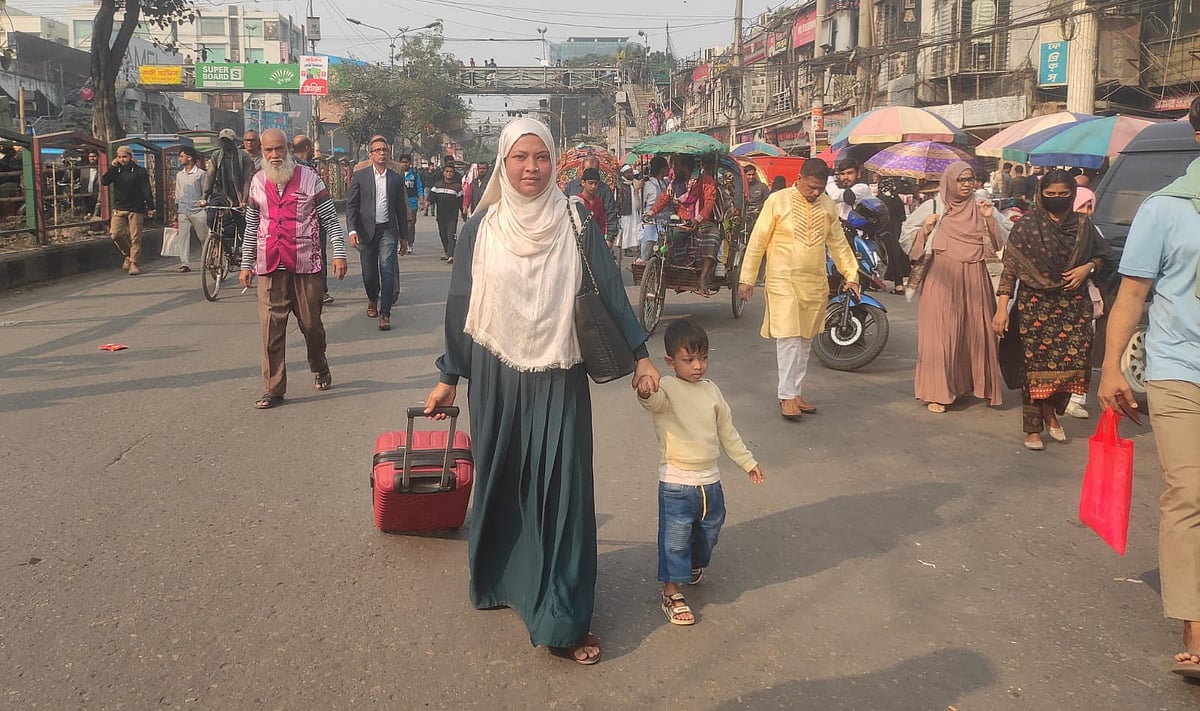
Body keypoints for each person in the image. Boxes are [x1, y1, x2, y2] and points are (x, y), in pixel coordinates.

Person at [423, 117, 659, 666]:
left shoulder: (576, 221)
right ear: (502, 164)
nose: (531, 169)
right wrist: (447, 376)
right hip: (496, 373)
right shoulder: (479, 230)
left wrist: (642, 355)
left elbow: (609, 290)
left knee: (563, 487)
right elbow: (461, 307)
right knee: (504, 476)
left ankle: (562, 617)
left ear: (556, 162)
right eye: (519, 158)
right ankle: (505, 578)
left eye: (542, 157)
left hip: (560, 370)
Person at [1097, 97, 1200, 680]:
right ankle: (1195, 626)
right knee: (1190, 492)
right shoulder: (1165, 209)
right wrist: (1112, 367)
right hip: (1180, 367)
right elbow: (1132, 294)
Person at [637, 318, 764, 626]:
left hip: (710, 483)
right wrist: (645, 390)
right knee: (675, 538)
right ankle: (671, 590)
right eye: (689, 359)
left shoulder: (712, 391)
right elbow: (652, 402)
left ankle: (693, 565)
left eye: (703, 358)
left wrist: (748, 462)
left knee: (710, 530)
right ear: (670, 361)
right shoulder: (667, 387)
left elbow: (728, 432)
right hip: (677, 483)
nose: (698, 366)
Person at [992, 170, 1112, 450]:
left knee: (1074, 363)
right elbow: (1011, 268)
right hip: (1035, 305)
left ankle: (1052, 409)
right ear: (1040, 195)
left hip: (1074, 305)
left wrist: (1088, 267)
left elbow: (1105, 256)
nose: (1057, 200)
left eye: (1063, 195)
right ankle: (1034, 427)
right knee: (1034, 369)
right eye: (1050, 195)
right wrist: (1002, 309)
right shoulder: (1026, 226)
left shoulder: (1084, 225)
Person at [738, 158, 860, 420]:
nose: (815, 193)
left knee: (805, 340)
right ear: (800, 179)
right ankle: (785, 395)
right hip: (783, 280)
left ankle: (796, 392)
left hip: (814, 282)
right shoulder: (778, 201)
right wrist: (747, 278)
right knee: (789, 339)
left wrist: (851, 275)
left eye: (820, 188)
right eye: (811, 187)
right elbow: (758, 239)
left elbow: (838, 243)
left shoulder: (827, 205)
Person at [238, 129, 348, 409]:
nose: (274, 156)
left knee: (312, 326)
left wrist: (338, 253)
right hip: (269, 265)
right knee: (270, 330)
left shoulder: (310, 178)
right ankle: (273, 389)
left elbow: (331, 221)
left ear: (288, 148)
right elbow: (251, 226)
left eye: (279, 150)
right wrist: (246, 263)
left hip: (305, 265)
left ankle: (319, 365)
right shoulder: (257, 183)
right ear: (261, 152)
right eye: (268, 151)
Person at [902, 161, 1004, 413]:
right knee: (940, 333)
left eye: (970, 179)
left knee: (976, 332)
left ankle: (972, 385)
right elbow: (905, 237)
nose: (967, 184)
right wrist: (925, 229)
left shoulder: (982, 206)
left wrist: (991, 220)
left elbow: (1004, 238)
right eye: (961, 180)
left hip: (976, 275)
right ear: (949, 182)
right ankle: (938, 391)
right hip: (941, 276)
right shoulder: (934, 206)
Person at [345, 136, 409, 331]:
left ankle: (385, 313)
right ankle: (373, 298)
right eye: (378, 150)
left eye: (385, 150)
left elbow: (400, 208)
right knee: (369, 274)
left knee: (387, 271)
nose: (382, 153)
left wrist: (404, 236)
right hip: (365, 232)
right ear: (371, 154)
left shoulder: (396, 178)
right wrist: (352, 230)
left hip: (387, 230)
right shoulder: (361, 175)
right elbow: (352, 205)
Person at [644, 154, 720, 294]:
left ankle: (703, 278)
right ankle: (662, 269)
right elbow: (663, 199)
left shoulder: (705, 181)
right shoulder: (674, 184)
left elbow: (710, 203)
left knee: (713, 236)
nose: (674, 169)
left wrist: (698, 218)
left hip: (701, 222)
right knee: (665, 240)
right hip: (681, 222)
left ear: (686, 167)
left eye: (676, 166)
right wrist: (651, 213)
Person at [292, 134, 335, 305]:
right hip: (312, 219)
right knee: (318, 255)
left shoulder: (291, 167)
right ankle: (320, 291)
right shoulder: (306, 170)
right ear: (308, 148)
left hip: (296, 221)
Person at [101, 145, 155, 275]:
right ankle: (129, 255)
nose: (122, 159)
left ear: (131, 157)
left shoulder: (140, 171)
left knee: (135, 237)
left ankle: (133, 264)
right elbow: (104, 181)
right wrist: (113, 167)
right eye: (119, 156)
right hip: (120, 207)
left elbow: (146, 189)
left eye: (124, 156)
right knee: (115, 234)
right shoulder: (116, 170)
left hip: (136, 208)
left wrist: (151, 207)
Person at [563, 155, 619, 246]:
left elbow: (610, 215)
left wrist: (609, 239)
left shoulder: (603, 194)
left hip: (596, 240)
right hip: (573, 239)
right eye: (590, 183)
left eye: (595, 183)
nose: (593, 186)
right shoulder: (571, 187)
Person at [174, 146, 207, 273]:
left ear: (190, 157)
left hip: (198, 210)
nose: (180, 159)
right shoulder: (179, 175)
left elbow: (205, 191)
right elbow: (178, 193)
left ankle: (206, 259)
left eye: (182, 156)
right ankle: (184, 263)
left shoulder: (200, 174)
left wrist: (204, 201)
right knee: (183, 238)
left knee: (203, 237)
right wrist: (176, 210)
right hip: (183, 210)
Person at [876, 177, 912, 294]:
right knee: (897, 258)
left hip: (885, 233)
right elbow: (903, 217)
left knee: (883, 258)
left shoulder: (880, 200)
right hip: (898, 233)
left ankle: (875, 283)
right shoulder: (897, 199)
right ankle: (899, 285)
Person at [430, 164, 466, 262]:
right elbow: (431, 197)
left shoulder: (457, 187)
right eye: (447, 171)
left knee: (451, 235)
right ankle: (447, 252)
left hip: (452, 216)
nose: (449, 173)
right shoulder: (437, 185)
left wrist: (464, 213)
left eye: (451, 172)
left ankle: (451, 255)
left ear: (453, 174)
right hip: (441, 215)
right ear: (443, 173)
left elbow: (460, 202)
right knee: (443, 234)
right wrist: (426, 203)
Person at [636, 157, 669, 263]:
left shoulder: (666, 183)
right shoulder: (648, 184)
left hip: (664, 223)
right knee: (646, 251)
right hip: (650, 222)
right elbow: (639, 205)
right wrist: (636, 191)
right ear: (662, 169)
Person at [398, 154, 425, 253]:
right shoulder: (396, 174)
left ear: (409, 163)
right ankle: (400, 243)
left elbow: (419, 188)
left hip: (412, 202)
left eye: (406, 162)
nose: (404, 164)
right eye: (403, 162)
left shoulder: (414, 174)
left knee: (410, 225)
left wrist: (422, 201)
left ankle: (410, 243)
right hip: (399, 202)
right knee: (399, 224)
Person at [616, 164, 642, 261]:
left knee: (636, 229)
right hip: (625, 213)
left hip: (634, 211)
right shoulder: (620, 187)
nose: (631, 174)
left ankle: (636, 247)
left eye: (632, 172)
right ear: (624, 174)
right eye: (629, 172)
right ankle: (625, 248)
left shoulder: (632, 185)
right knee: (626, 230)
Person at [743, 163, 770, 229]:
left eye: (753, 174)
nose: (751, 177)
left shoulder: (762, 186)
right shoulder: (740, 187)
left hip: (757, 216)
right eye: (749, 175)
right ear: (744, 175)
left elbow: (768, 201)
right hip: (743, 215)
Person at [79, 150, 101, 217]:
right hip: (86, 195)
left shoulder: (101, 169)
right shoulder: (84, 169)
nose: (92, 158)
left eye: (94, 156)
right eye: (90, 156)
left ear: (97, 157)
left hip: (97, 196)